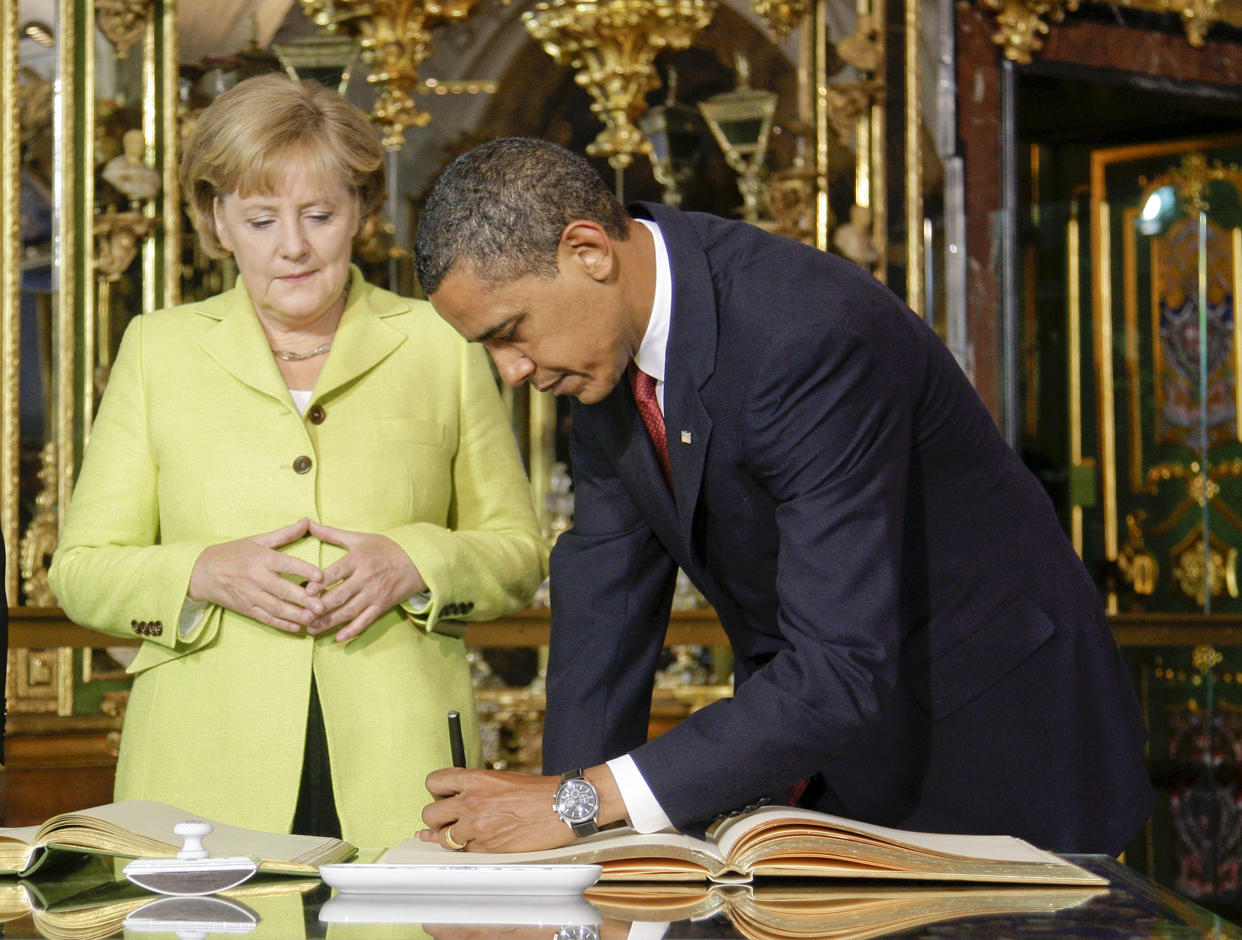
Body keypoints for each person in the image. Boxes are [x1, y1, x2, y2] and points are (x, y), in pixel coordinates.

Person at [411, 137, 1153, 857]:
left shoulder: (803, 332)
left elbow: (836, 668)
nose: (510, 371)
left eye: (510, 332)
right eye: (489, 348)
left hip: (998, 744)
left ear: (589, 252)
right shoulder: (594, 352)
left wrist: (577, 804)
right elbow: (606, 605)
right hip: (837, 759)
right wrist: (558, 836)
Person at [48, 79, 548, 848]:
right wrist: (202, 572)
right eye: (260, 219)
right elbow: (80, 568)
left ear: (362, 212)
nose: (293, 246)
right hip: (198, 773)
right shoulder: (158, 347)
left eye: (320, 215)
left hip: (401, 767)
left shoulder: (439, 343)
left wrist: (414, 560)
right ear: (217, 221)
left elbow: (516, 551)